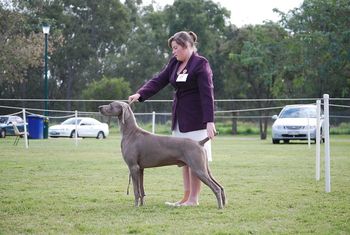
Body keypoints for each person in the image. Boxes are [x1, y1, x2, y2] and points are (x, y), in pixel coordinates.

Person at [128, 31, 216, 206]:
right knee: (183, 161)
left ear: (187, 46)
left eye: (176, 48)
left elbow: (208, 95)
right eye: (173, 49)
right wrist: (140, 94)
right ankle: (185, 197)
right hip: (179, 119)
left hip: (197, 121)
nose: (173, 52)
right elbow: (158, 80)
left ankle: (193, 200)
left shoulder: (201, 64)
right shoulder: (174, 63)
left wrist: (209, 121)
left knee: (194, 163)